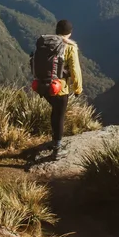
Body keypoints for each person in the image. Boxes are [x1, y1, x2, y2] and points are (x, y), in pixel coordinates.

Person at [30, 19, 83, 160]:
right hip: (59, 88)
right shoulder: (70, 47)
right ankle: (57, 150)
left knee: (54, 113)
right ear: (69, 33)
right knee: (59, 117)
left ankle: (54, 142)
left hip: (42, 86)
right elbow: (75, 70)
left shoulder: (45, 43)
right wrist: (78, 89)